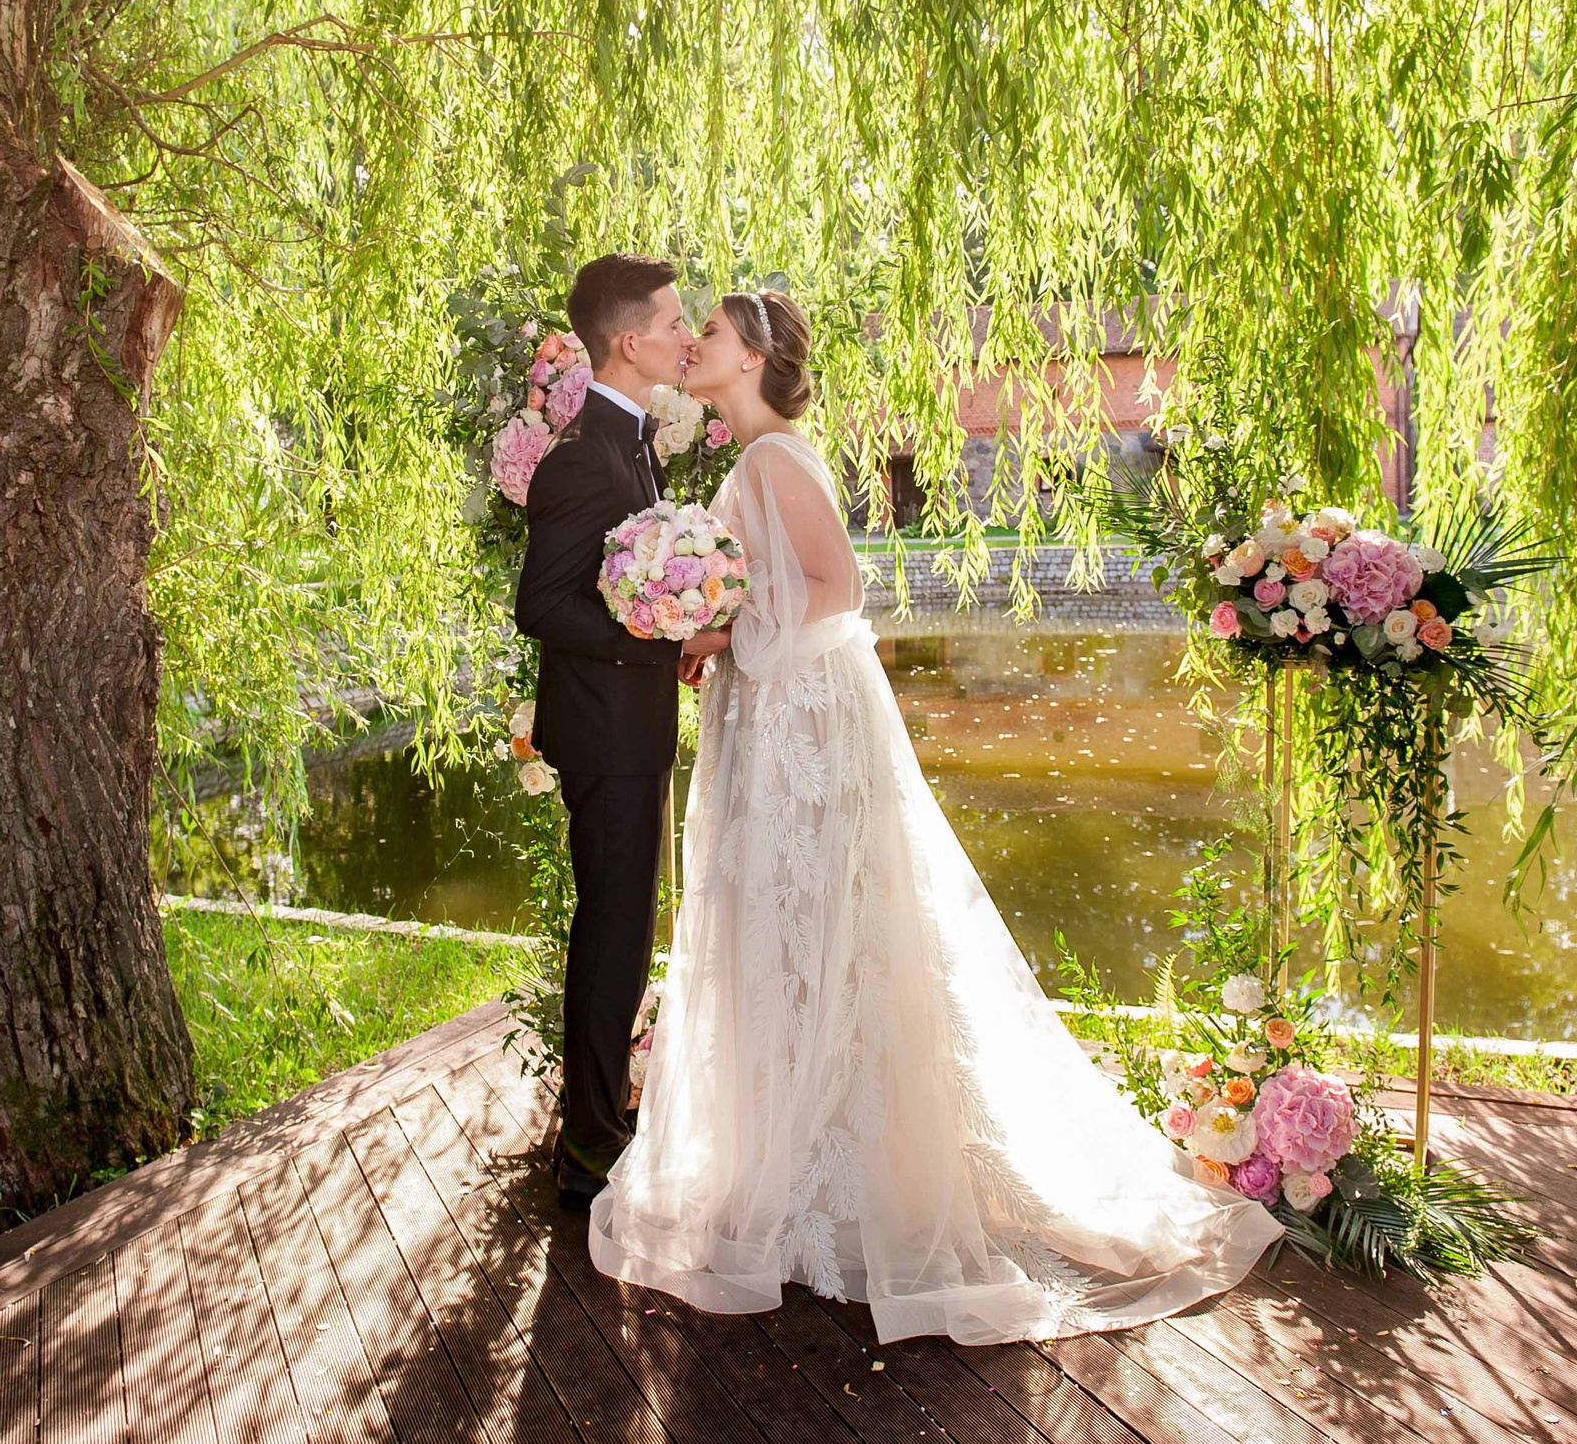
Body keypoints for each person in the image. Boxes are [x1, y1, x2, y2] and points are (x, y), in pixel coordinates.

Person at [587, 287, 1283, 1343]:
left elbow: (838, 588)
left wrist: (728, 633)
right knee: (790, 937)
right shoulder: (748, 462)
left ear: (755, 357)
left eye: (713, 335)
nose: (694, 345)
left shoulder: (776, 459)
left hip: (802, 726)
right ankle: (801, 1172)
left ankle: (844, 1186)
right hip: (774, 720)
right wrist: (713, 620)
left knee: (819, 932)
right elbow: (783, 585)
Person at [515, 253, 733, 1208]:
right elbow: (542, 605)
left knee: (624, 931)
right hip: (605, 738)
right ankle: (590, 1148)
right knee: (613, 936)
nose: (687, 336)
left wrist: (666, 627)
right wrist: (658, 630)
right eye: (675, 322)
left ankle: (603, 1123)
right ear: (629, 339)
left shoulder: (632, 439)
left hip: (627, 727)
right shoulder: (580, 458)